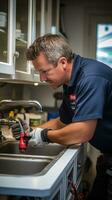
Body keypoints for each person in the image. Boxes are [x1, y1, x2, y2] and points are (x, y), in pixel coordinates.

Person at [12, 33, 112, 199]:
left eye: (44, 71)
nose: (42, 78)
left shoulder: (90, 78)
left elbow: (82, 132)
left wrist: (43, 136)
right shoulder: (70, 81)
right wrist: (32, 131)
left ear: (63, 62)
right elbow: (62, 122)